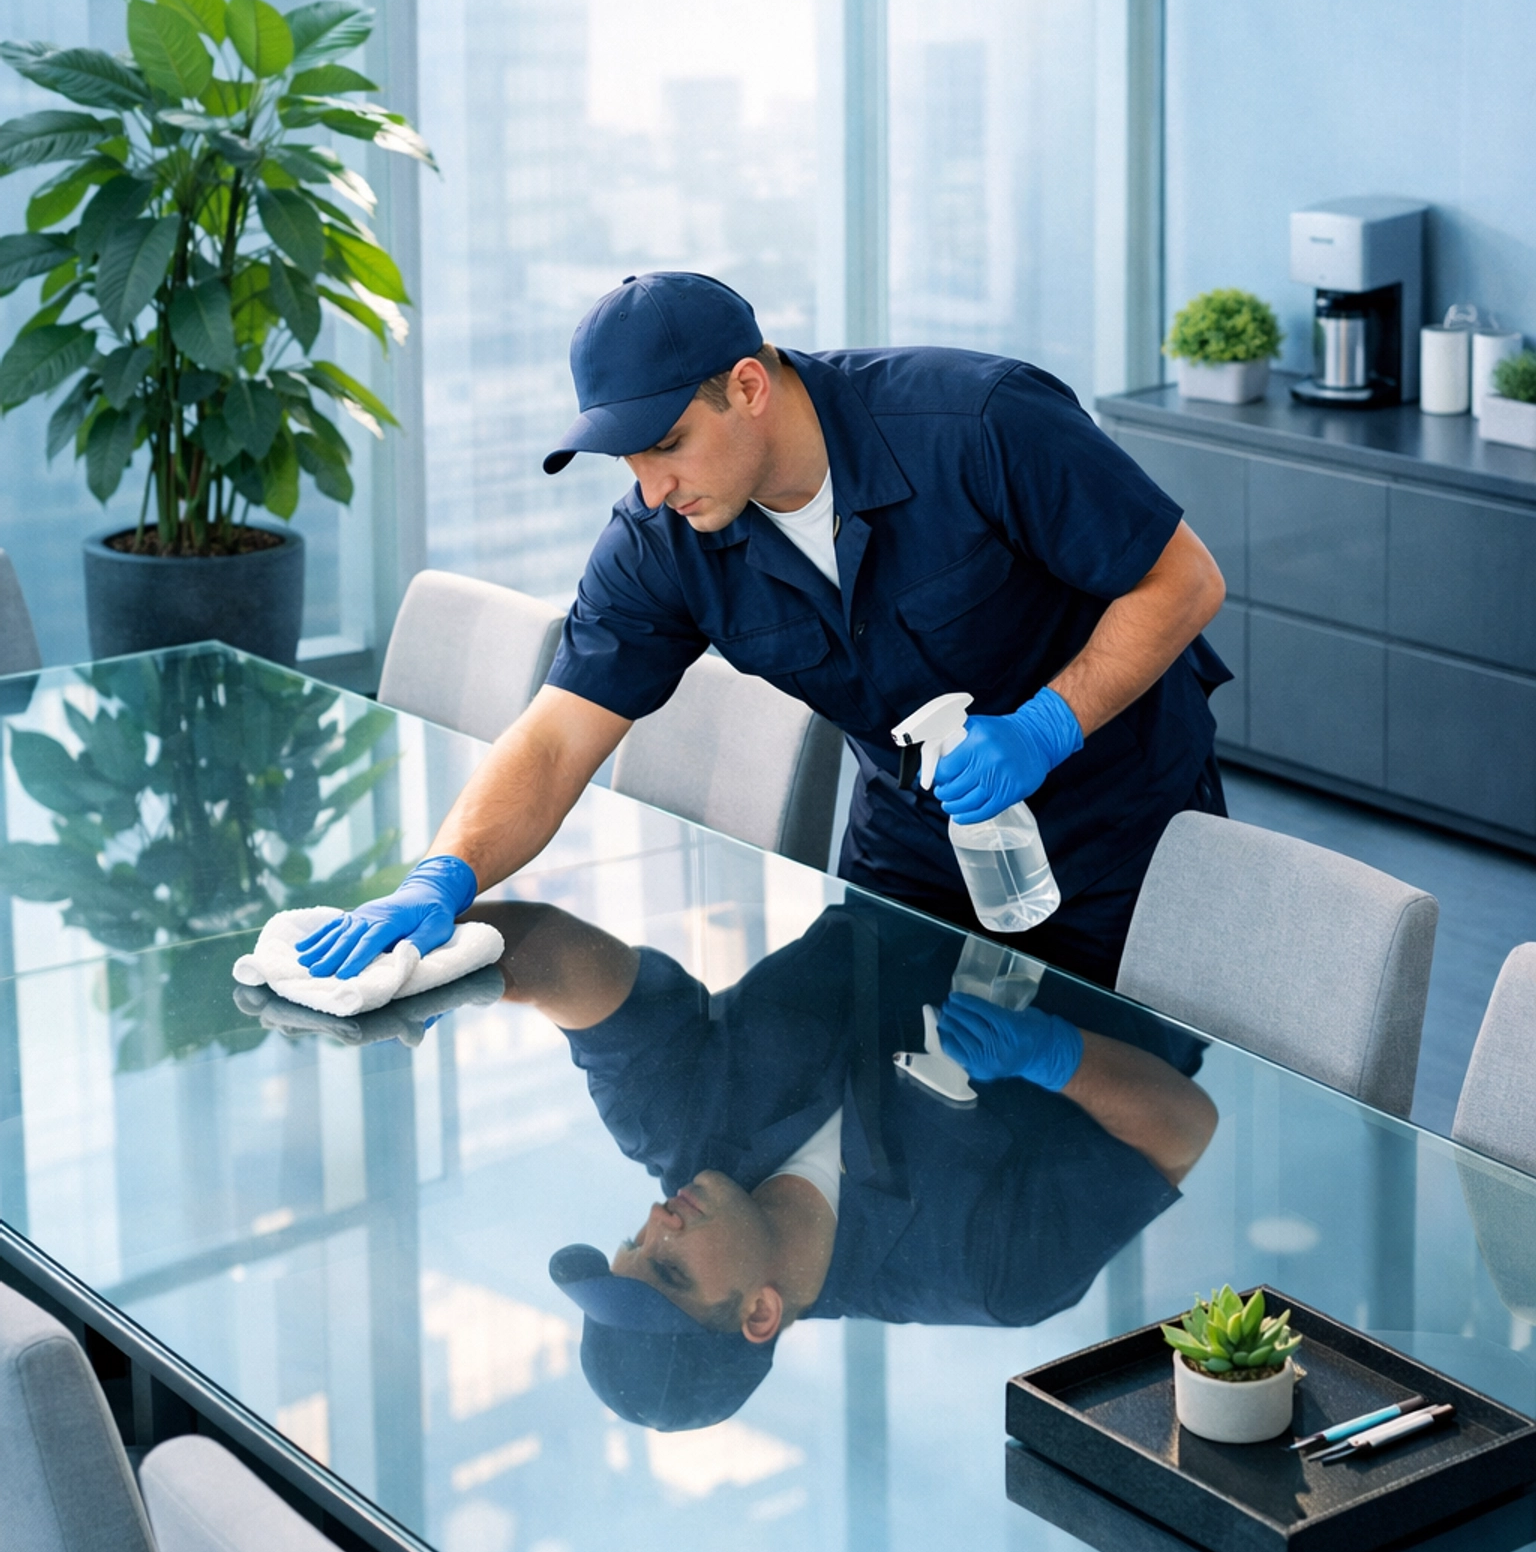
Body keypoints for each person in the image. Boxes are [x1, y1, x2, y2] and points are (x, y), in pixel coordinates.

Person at [298, 272, 1229, 993]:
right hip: (914, 850)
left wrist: (1043, 728)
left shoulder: (978, 422)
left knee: (1098, 1157)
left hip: (1120, 837)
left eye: (665, 445)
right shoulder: (663, 538)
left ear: (747, 386)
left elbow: (1184, 579)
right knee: (905, 1151)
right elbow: (554, 739)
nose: (651, 486)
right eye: (627, 459)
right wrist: (441, 875)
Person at [477, 894, 1217, 1429]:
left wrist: (435, 956)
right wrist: (1056, 1054)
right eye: (670, 1267)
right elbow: (1182, 1125)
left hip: (927, 804)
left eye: (631, 1245)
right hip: (1129, 917)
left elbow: (545, 952)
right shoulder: (985, 1274)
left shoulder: (670, 1118)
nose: (656, 1221)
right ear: (760, 1312)